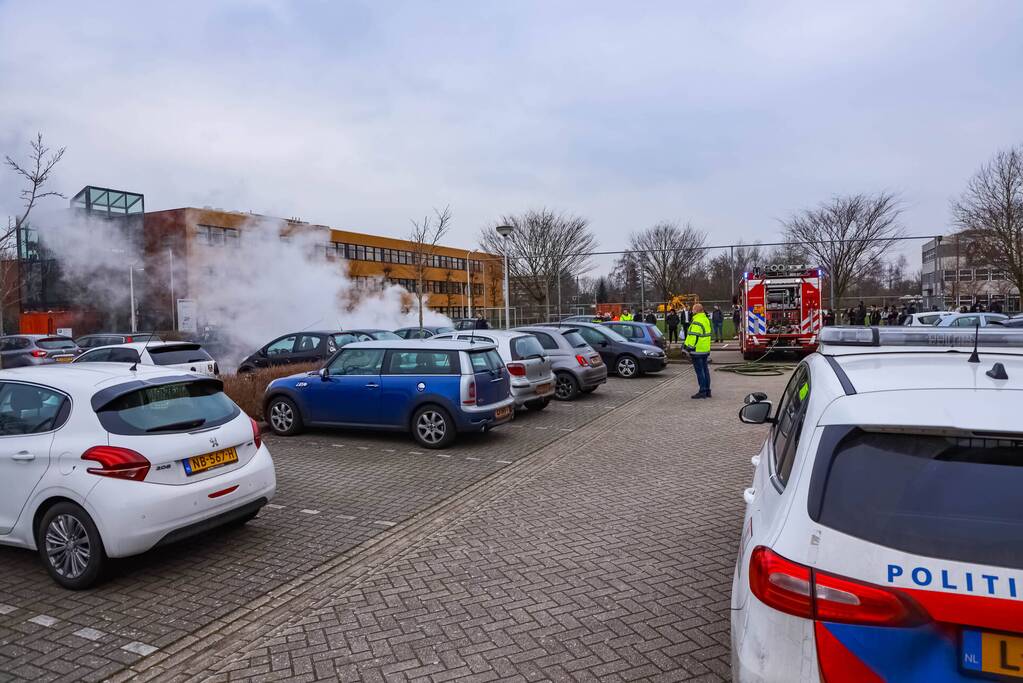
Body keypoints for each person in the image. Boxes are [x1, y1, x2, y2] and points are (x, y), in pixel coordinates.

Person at [684, 303, 713, 399]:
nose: (692, 311)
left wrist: (688, 347)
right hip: (705, 349)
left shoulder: (696, 321)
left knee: (700, 371)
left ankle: (702, 391)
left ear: (696, 310)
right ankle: (707, 390)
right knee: (705, 370)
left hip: (697, 350)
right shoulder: (705, 319)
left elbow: (693, 336)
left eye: (693, 309)